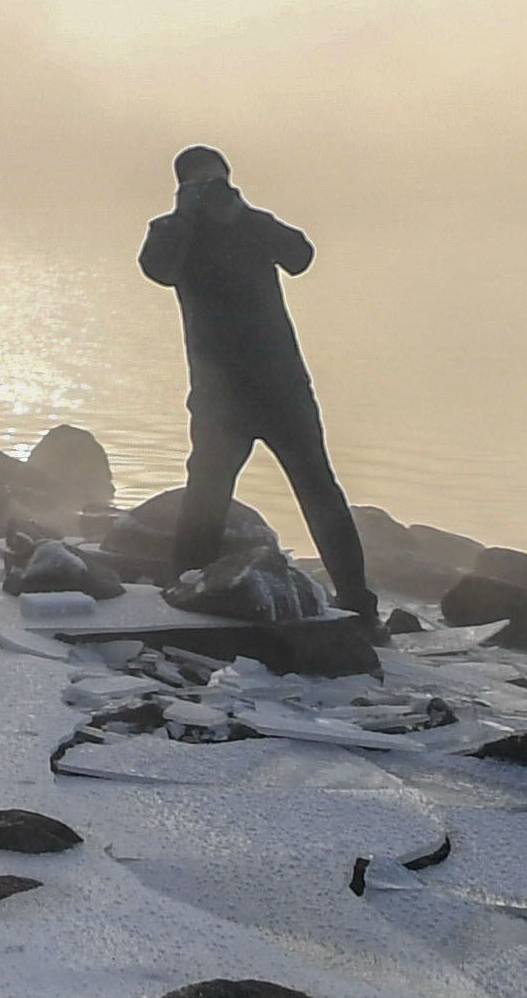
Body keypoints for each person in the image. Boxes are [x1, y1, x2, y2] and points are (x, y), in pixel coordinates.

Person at [139, 145, 381, 633]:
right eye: (201, 186)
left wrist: (244, 215)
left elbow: (301, 255)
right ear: (181, 189)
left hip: (282, 387)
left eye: (220, 184)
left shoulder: (250, 226)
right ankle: (188, 585)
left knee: (319, 491)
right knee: (206, 496)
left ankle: (358, 602)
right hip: (219, 395)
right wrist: (185, 218)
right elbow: (157, 269)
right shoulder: (171, 234)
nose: (213, 194)